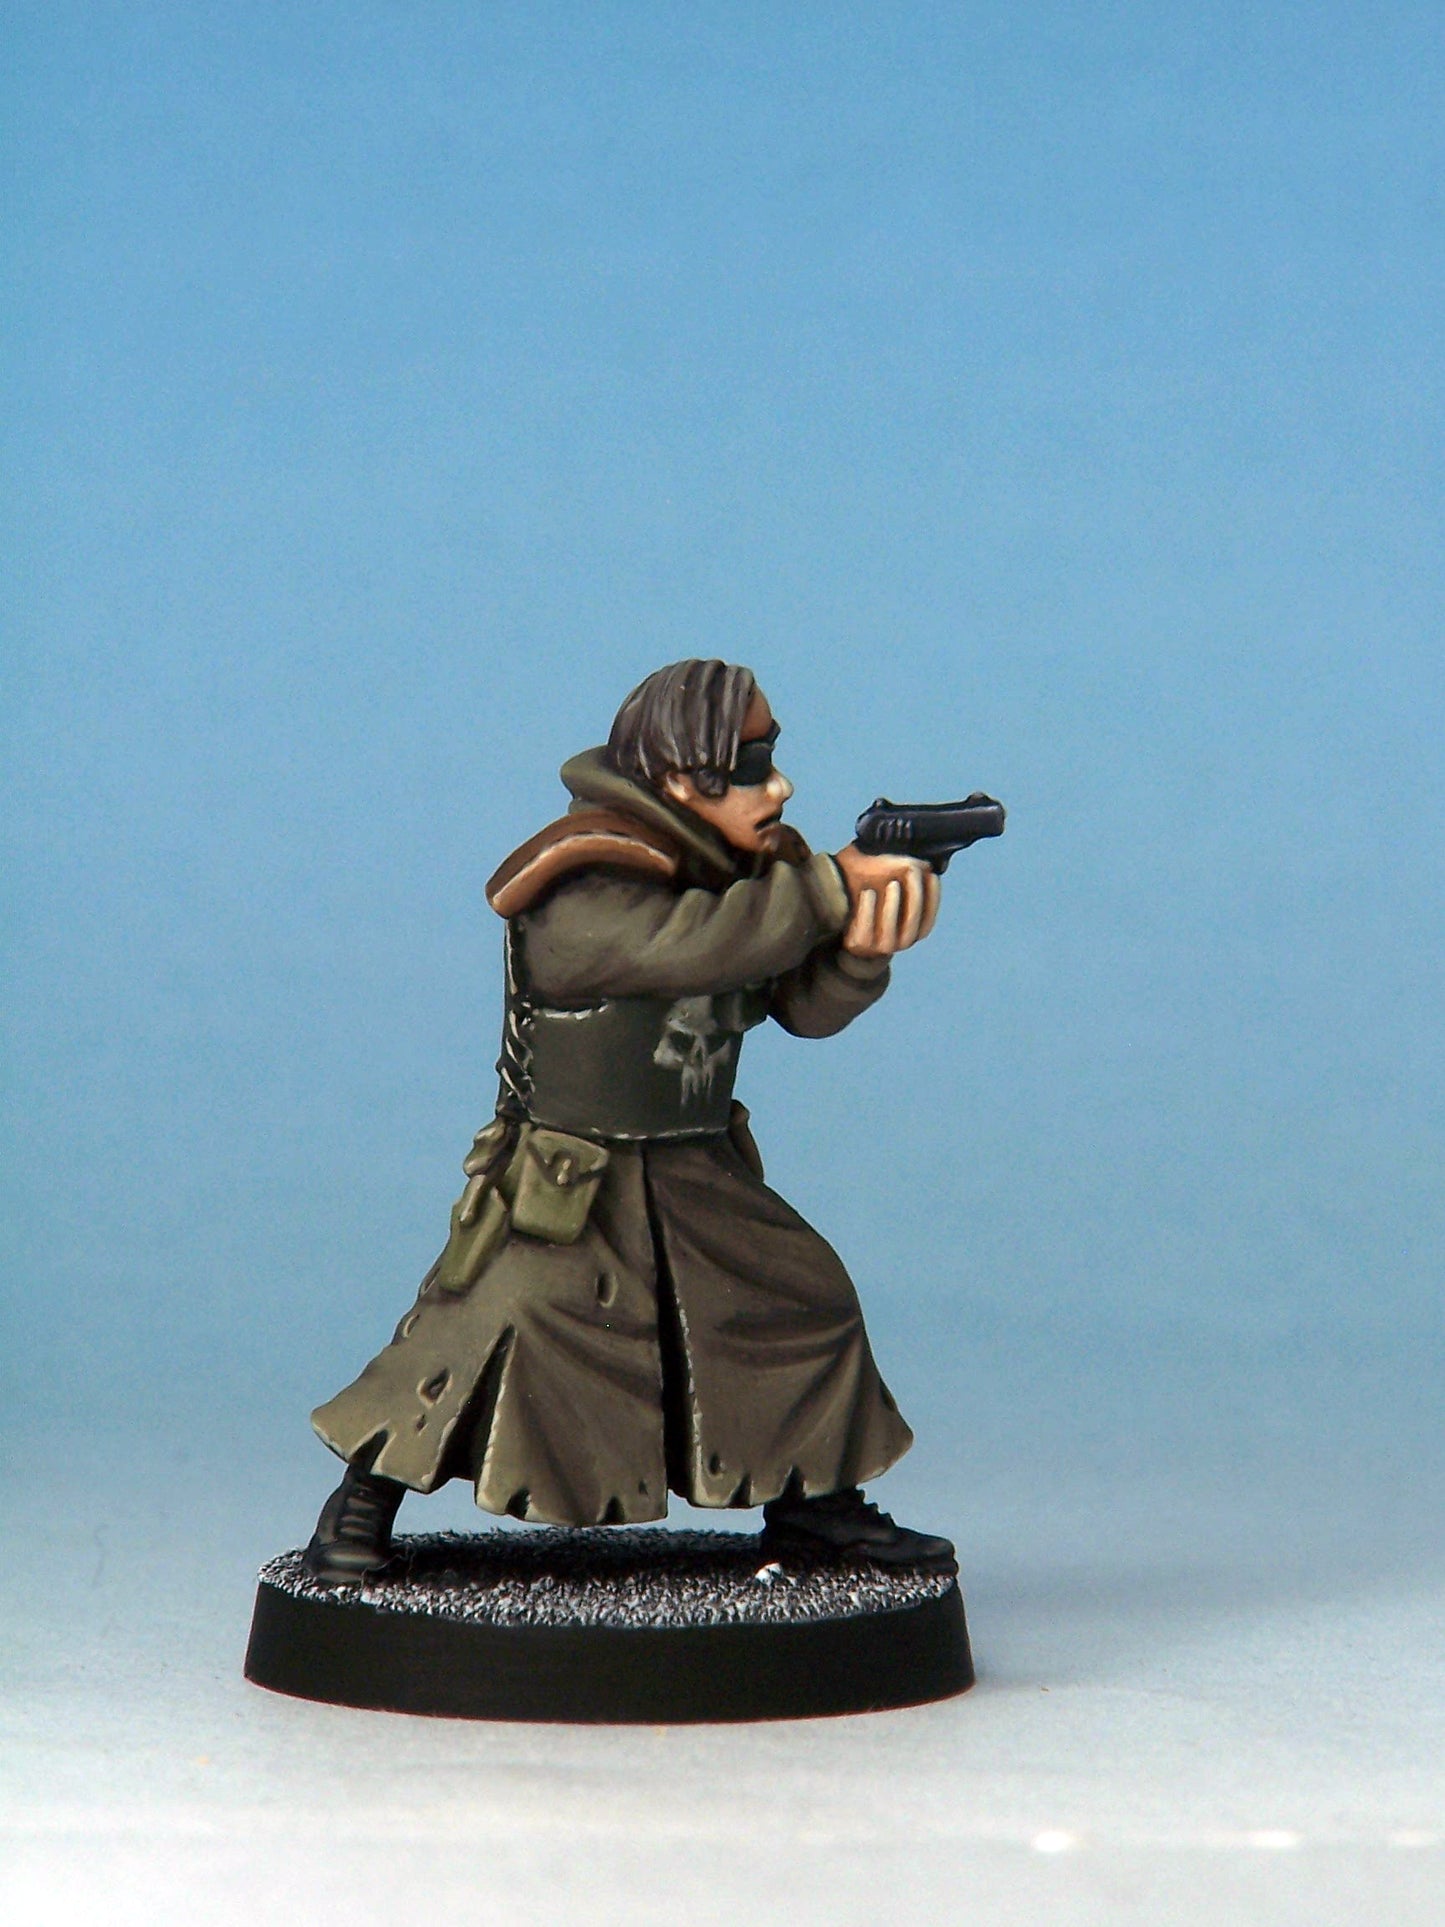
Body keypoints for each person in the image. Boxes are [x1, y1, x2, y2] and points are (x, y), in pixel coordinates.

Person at [305, 659, 955, 1583]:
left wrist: (859, 949)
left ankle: (814, 1508)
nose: (778, 787)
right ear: (682, 779)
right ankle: (362, 1500)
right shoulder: (583, 878)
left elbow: (798, 1006)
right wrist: (823, 892)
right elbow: (683, 946)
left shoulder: (757, 875)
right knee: (487, 1324)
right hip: (572, 1170)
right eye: (749, 767)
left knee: (797, 1302)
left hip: (694, 1161)